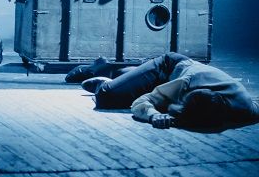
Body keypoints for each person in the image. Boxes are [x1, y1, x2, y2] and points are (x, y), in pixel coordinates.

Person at [67, 53, 259, 130]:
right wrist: (152, 115)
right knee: (106, 97)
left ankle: (128, 76)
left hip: (176, 81)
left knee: (133, 85)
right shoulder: (185, 83)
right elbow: (141, 102)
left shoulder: (244, 107)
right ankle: (103, 69)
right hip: (167, 68)